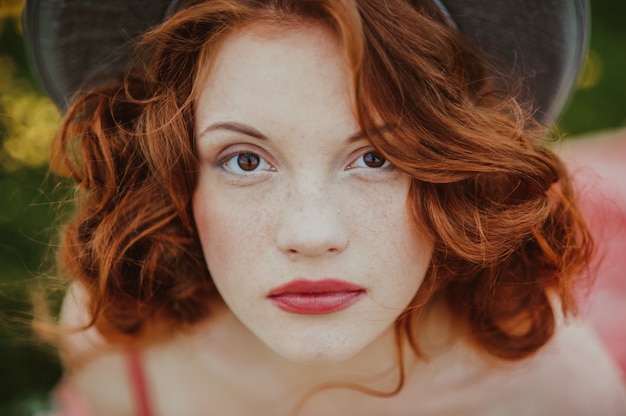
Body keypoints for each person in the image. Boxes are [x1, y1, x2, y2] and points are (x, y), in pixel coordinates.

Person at [23, 0, 626, 414]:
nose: (311, 234)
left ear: (456, 177)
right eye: (246, 161)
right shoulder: (122, 349)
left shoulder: (559, 395)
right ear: (173, 181)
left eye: (377, 158)